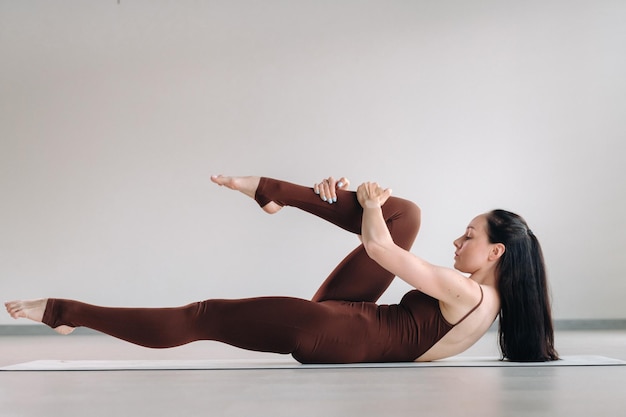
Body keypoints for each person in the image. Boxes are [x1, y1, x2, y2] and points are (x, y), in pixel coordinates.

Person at [5, 175, 558, 363]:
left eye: (470, 236)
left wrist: (365, 205)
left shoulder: (465, 291)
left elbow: (383, 254)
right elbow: (386, 247)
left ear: (495, 254)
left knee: (206, 315)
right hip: (352, 323)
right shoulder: (490, 303)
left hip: (335, 337)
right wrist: (360, 205)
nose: (459, 240)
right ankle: (275, 194)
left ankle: (64, 312)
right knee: (405, 213)